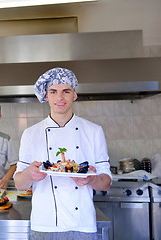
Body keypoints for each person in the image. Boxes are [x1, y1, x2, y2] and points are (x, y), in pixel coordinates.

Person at [14, 67, 112, 240]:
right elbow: (20, 184)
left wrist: (93, 179)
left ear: (74, 94)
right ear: (46, 96)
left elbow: (106, 183)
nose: (59, 98)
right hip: (44, 224)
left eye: (66, 91)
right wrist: (29, 174)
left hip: (83, 224)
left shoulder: (94, 131)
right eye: (53, 92)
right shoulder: (31, 134)